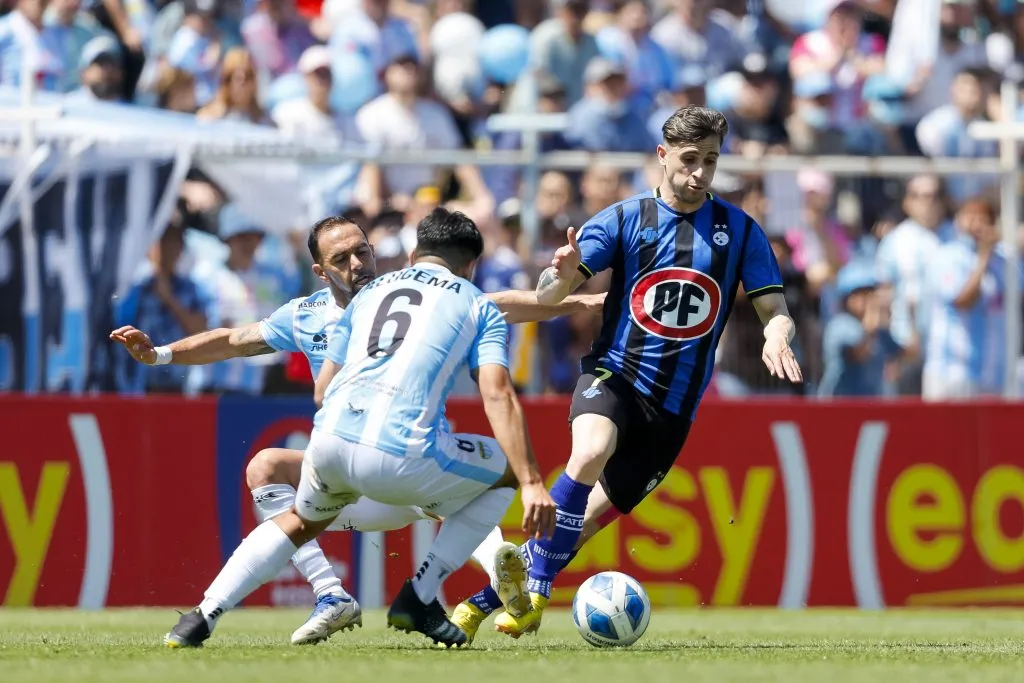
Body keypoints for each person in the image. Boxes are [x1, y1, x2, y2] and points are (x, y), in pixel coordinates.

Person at [111, 215, 603, 645]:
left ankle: (490, 565)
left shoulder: (394, 291)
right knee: (268, 466)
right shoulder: (307, 314)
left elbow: (506, 303)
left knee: (313, 511)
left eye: (362, 251)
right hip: (394, 467)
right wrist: (162, 354)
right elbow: (233, 340)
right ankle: (338, 594)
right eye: (341, 258)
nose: (357, 264)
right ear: (320, 271)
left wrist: (582, 304)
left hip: (357, 459)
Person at [449, 104, 803, 642]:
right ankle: (538, 590)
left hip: (674, 411)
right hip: (615, 374)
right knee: (589, 452)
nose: (700, 172)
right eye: (690, 159)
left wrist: (777, 333)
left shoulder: (740, 231)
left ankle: (480, 605)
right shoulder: (624, 219)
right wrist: (560, 275)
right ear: (662, 155)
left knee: (575, 530)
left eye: (710, 160)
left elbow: (774, 308)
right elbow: (552, 293)